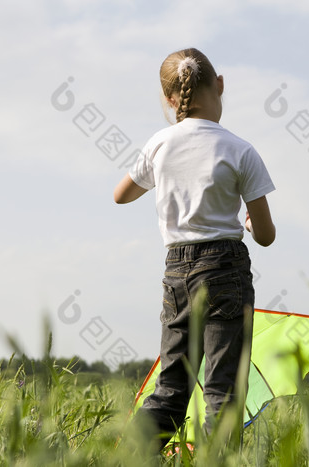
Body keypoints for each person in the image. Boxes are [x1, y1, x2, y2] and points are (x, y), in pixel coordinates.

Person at [113, 48, 276, 448]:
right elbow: (266, 234)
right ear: (219, 85)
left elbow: (121, 195)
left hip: (176, 274)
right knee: (223, 391)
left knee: (171, 387)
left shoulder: (159, 144)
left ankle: (132, 457)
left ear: (170, 100)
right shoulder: (240, 150)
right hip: (225, 271)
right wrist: (252, 223)